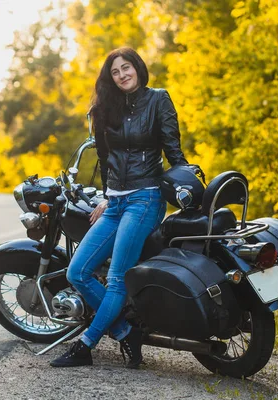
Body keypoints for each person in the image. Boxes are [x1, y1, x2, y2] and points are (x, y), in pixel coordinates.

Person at [50, 47, 189, 369]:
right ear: (109, 78)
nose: (122, 74)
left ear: (138, 68)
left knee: (115, 279)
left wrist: (186, 186)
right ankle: (126, 331)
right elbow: (104, 159)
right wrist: (106, 196)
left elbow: (174, 150)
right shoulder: (105, 109)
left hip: (146, 198)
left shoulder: (158, 100)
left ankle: (85, 346)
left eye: (127, 68)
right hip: (115, 201)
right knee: (78, 272)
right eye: (115, 71)